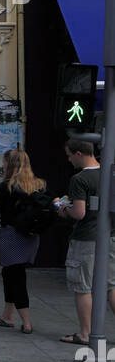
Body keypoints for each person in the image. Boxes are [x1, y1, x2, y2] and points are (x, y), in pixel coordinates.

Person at [56, 138, 115, 345]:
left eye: (69, 155)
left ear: (79, 154)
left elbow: (79, 213)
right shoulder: (109, 174)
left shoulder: (79, 179)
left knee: (83, 286)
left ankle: (85, 333)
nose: (69, 159)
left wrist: (61, 208)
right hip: (108, 236)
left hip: (86, 238)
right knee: (110, 286)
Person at [0, 148, 46, 334]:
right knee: (10, 274)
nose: (2, 166)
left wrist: (8, 211)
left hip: (12, 235)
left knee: (15, 276)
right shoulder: (39, 184)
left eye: (4, 163)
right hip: (31, 236)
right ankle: (7, 315)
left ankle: (25, 321)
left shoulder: (6, 186)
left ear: (9, 165)